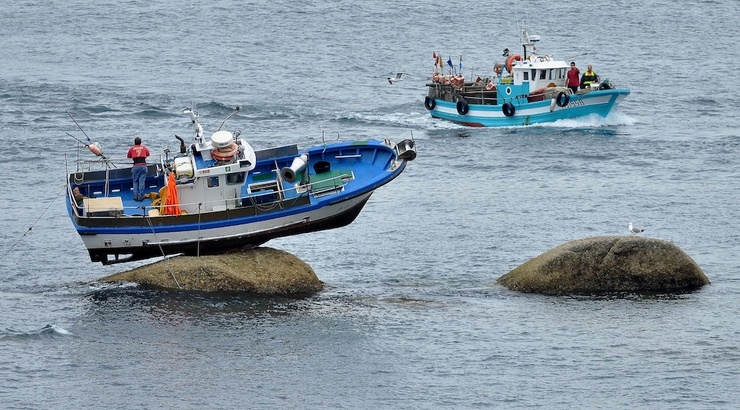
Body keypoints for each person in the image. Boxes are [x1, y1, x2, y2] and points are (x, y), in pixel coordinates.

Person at [127, 136, 150, 201]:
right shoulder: (144, 148)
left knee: (135, 181)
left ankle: (135, 196)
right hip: (143, 166)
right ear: (140, 142)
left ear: (134, 142)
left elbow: (128, 156)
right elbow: (148, 154)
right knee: (142, 181)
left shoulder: (132, 148)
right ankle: (141, 196)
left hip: (136, 166)